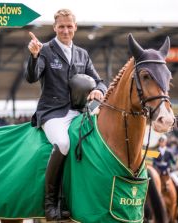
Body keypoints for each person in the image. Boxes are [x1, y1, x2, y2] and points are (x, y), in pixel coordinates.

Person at [25, 9, 107, 221]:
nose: (65, 30)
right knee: (62, 144)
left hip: (79, 112)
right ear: (54, 28)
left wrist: (99, 91)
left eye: (69, 26)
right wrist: (34, 56)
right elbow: (32, 77)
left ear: (75, 27)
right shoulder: (45, 50)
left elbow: (99, 81)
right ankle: (50, 204)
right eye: (61, 26)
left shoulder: (82, 54)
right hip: (53, 113)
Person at [153, 135, 178, 204]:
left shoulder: (169, 152)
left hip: (168, 171)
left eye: (163, 141)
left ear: (165, 142)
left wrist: (171, 164)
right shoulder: (156, 151)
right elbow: (154, 162)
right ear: (159, 142)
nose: (161, 143)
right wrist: (158, 165)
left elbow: (174, 162)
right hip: (159, 172)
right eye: (160, 141)